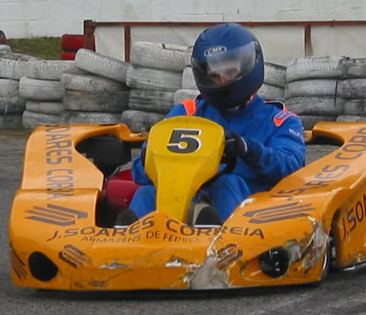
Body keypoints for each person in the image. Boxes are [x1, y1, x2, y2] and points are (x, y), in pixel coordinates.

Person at [118, 23, 306, 226]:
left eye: (229, 71)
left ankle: (222, 248)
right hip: (188, 205)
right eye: (215, 75)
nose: (222, 80)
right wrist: (151, 159)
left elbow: (291, 168)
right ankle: (133, 246)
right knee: (146, 193)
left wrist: (248, 149)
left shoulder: (279, 120)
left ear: (249, 66)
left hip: (254, 212)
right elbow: (140, 174)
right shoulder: (188, 112)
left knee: (227, 183)